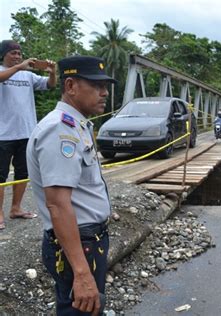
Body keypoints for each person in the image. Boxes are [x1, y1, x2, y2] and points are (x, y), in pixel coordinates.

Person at [26, 56, 116, 315]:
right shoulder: (60, 130)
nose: (104, 92)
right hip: (79, 244)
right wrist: (81, 272)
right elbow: (57, 204)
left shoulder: (78, 125)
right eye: (96, 85)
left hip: (86, 240)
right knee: (81, 309)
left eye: (105, 86)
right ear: (70, 86)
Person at [0, 40, 56, 229]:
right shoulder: (3, 71)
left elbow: (50, 86)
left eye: (19, 53)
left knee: (23, 173)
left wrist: (52, 72)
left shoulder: (28, 75)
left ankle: (15, 208)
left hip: (26, 133)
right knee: (1, 176)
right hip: (3, 134)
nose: (17, 56)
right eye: (13, 53)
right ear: (4, 55)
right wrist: (19, 67)